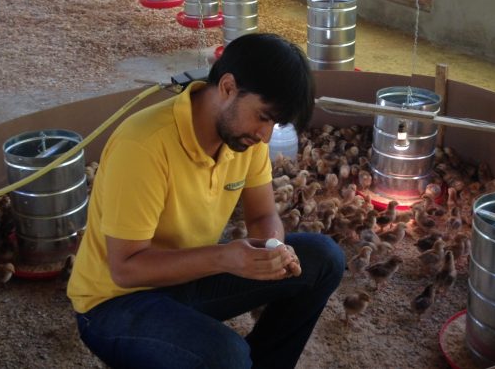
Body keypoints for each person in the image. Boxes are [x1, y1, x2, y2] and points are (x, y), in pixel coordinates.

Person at [67, 33, 345, 369]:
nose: (265, 136)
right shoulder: (143, 145)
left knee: (324, 258)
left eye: (274, 123)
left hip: (188, 277)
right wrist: (224, 258)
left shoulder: (243, 139)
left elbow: (262, 216)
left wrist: (273, 250)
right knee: (225, 357)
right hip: (115, 302)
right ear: (227, 87)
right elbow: (126, 268)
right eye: (263, 116)